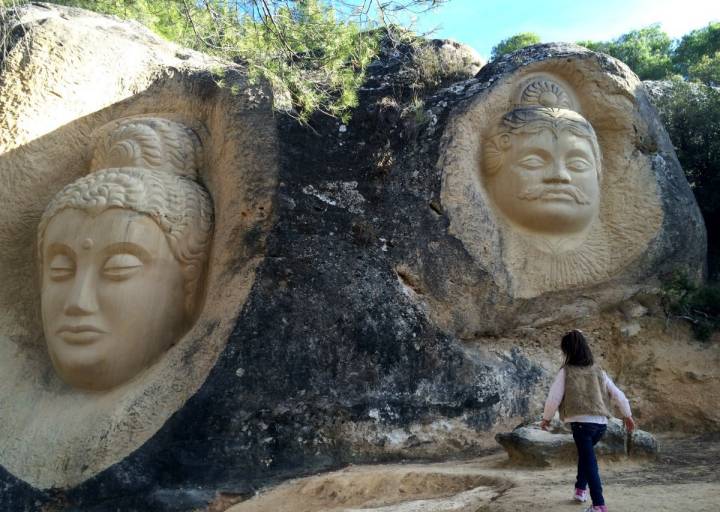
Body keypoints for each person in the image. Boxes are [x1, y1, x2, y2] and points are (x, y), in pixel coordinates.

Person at [540, 329, 635, 512]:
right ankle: (580, 490)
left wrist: (546, 419)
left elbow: (553, 398)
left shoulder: (566, 372)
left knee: (589, 461)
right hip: (601, 424)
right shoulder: (599, 371)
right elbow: (618, 394)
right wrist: (627, 415)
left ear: (567, 351)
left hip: (581, 424)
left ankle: (599, 505)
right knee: (586, 456)